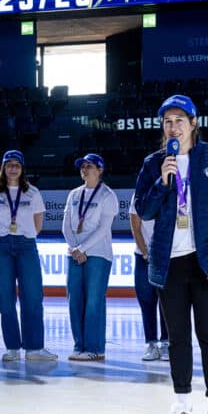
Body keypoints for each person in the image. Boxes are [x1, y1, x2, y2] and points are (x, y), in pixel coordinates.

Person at [134, 94, 208, 414]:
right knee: (177, 338)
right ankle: (182, 405)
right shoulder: (155, 163)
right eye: (167, 121)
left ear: (194, 123)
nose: (173, 126)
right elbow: (144, 209)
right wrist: (161, 182)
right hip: (170, 261)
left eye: (180, 120)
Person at [0, 150, 58, 362]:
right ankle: (13, 348)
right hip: (1, 246)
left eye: (17, 164)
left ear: (22, 168)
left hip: (26, 245)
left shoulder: (32, 192)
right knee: (5, 299)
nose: (13, 168)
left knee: (33, 297)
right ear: (3, 168)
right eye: (9, 164)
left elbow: (38, 223)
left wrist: (23, 236)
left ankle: (34, 348)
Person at [62, 153, 119, 361]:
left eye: (90, 166)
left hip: (97, 254)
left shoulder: (107, 195)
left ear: (100, 170)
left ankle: (95, 348)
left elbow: (104, 228)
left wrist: (83, 248)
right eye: (83, 166)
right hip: (75, 253)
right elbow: (66, 225)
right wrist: (74, 248)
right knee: (74, 299)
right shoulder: (74, 194)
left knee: (93, 300)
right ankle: (79, 345)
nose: (85, 170)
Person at [130, 197, 169, 361]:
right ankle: (151, 343)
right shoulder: (139, 195)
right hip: (143, 256)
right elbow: (135, 226)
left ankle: (167, 343)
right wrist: (146, 252)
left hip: (167, 255)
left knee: (167, 301)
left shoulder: (171, 191)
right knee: (146, 300)